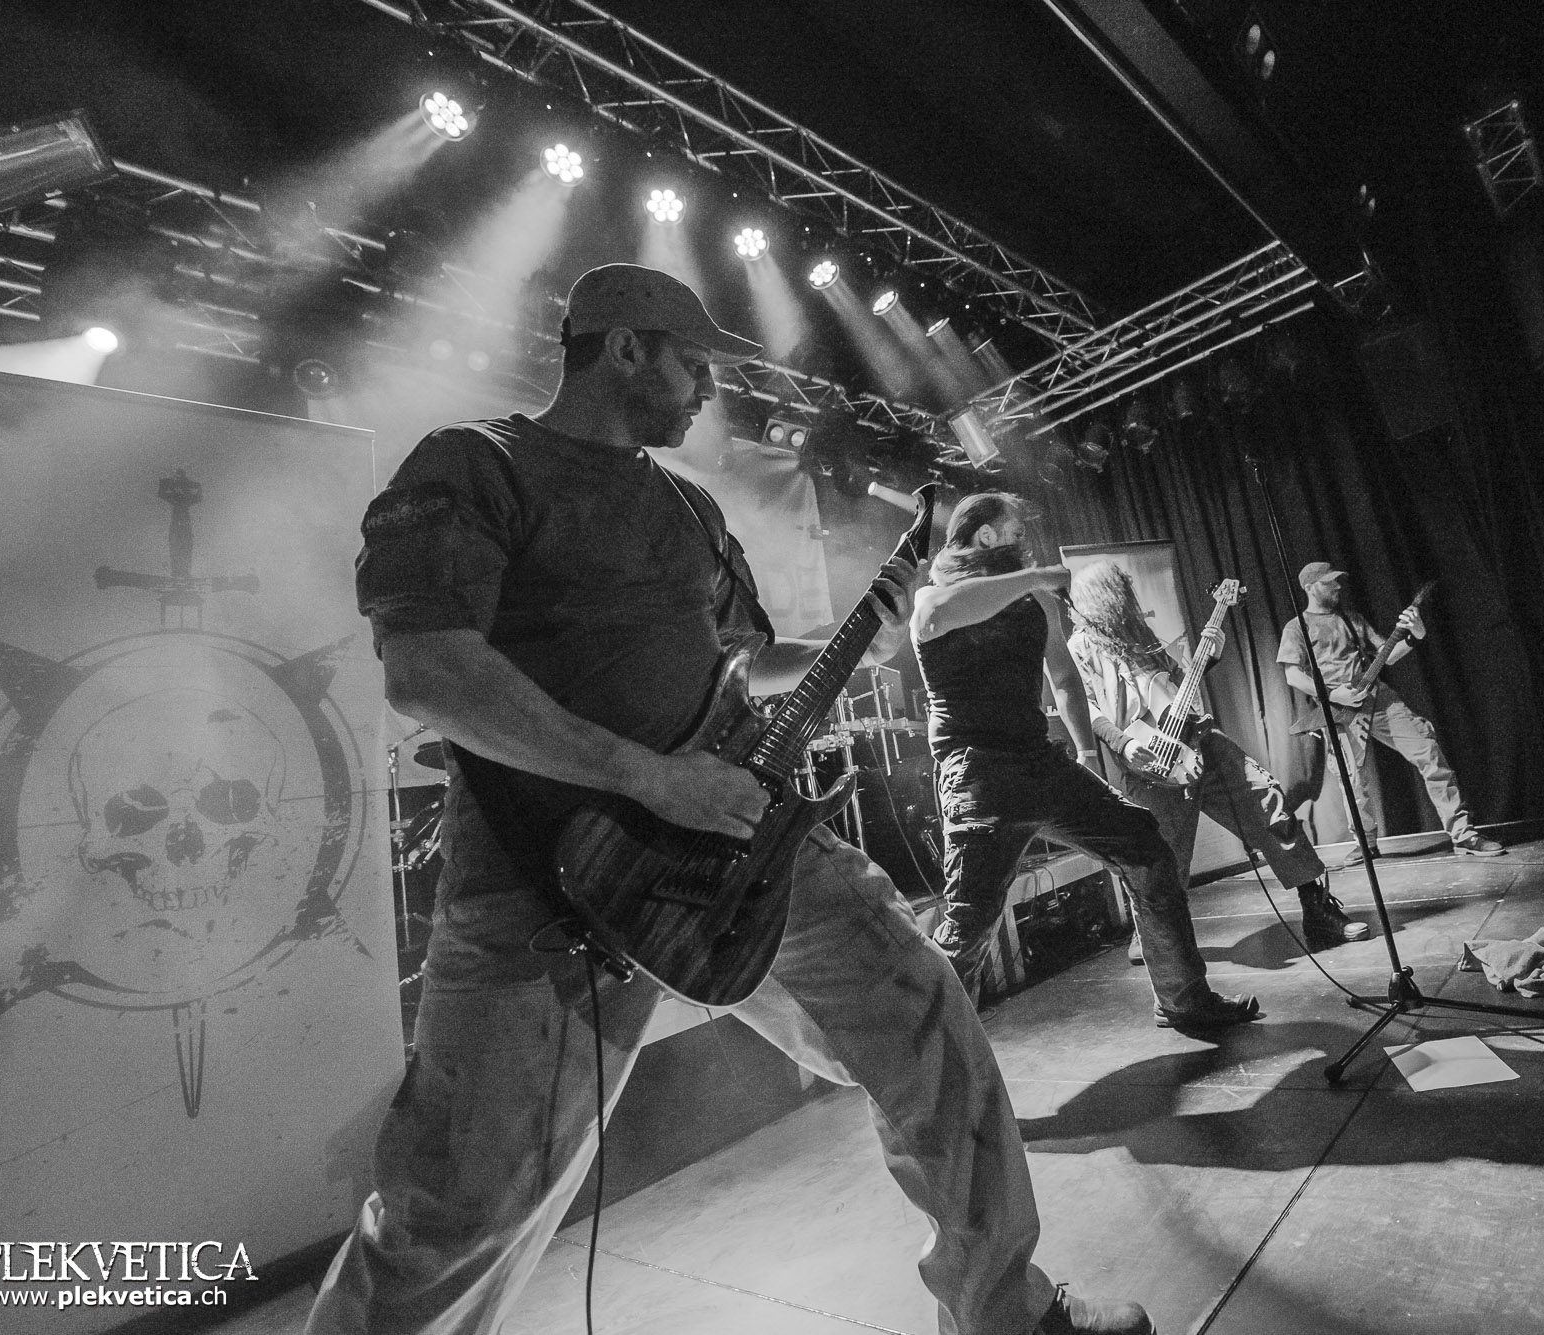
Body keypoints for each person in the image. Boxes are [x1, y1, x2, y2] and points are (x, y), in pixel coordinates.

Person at [307, 266, 1149, 1335]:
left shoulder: (686, 507)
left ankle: (1005, 1312)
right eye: (694, 363)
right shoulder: (477, 464)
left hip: (745, 843)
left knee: (928, 1031)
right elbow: (428, 671)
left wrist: (854, 638)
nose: (708, 389)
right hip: (547, 886)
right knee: (457, 1212)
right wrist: (648, 776)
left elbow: (741, 661)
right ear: (624, 348)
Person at [911, 493, 1261, 1032]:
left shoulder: (1033, 599)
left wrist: (1087, 752)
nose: (1024, 541)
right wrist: (1035, 577)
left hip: (1039, 762)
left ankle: (1183, 1000)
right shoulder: (935, 594)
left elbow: (1065, 678)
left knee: (1146, 849)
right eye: (1014, 531)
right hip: (978, 772)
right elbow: (939, 616)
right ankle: (929, 1048)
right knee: (969, 924)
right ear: (985, 535)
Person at [1065, 561, 1367, 949]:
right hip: (1149, 762)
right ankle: (1154, 937)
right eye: (1120, 589)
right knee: (1162, 855)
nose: (1128, 596)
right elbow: (1086, 707)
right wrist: (1122, 743)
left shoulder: (1142, 637)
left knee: (1268, 802)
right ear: (1104, 596)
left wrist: (1207, 659)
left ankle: (1318, 909)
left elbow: (1180, 685)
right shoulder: (1080, 648)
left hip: (1200, 740)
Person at [1277, 561, 1506, 862]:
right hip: (1338, 709)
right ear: (1310, 588)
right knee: (1352, 780)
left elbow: (1388, 655)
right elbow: (1293, 675)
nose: (1337, 586)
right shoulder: (1297, 628)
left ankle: (1463, 834)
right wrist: (1332, 693)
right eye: (1329, 582)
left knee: (1428, 751)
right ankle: (1366, 843)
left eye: (1337, 581)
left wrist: (1414, 635)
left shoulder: (1352, 619)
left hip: (1378, 699)